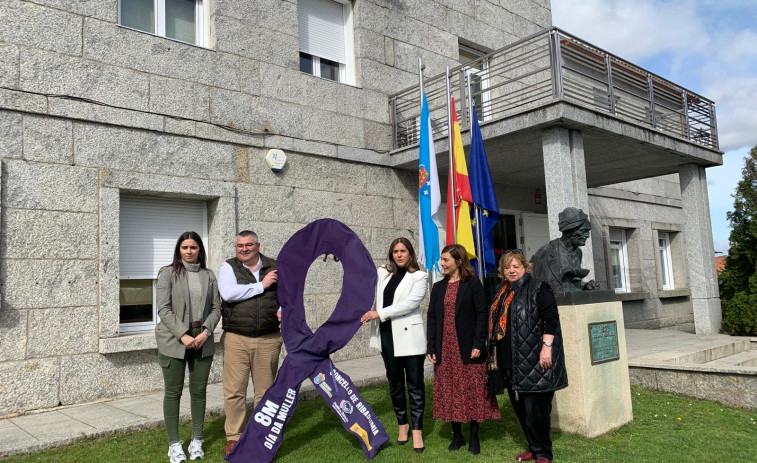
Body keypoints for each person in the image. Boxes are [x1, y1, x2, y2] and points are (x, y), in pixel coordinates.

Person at [486, 251, 568, 463]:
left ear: (525, 267)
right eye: (507, 267)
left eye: (516, 266)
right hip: (510, 360)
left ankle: (543, 453)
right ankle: (533, 447)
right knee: (520, 408)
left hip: (535, 359)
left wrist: (546, 347)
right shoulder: (501, 291)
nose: (511, 271)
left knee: (536, 410)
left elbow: (551, 319)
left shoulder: (539, 288)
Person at [426, 244, 501, 455]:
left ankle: (474, 436)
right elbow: (432, 317)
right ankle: (457, 435)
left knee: (473, 390)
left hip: (467, 348)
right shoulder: (438, 287)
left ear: (459, 262)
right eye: (442, 259)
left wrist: (479, 343)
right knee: (450, 390)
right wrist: (431, 345)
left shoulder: (473, 284)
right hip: (445, 348)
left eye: (446, 260)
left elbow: (481, 314)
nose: (442, 263)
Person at [155, 231, 221, 463]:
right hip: (174, 338)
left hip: (202, 338)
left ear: (200, 250)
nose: (189, 251)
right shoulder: (168, 273)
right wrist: (183, 335)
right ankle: (174, 444)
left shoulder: (208, 275)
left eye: (193, 247)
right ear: (179, 250)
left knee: (199, 391)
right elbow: (163, 309)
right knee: (173, 392)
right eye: (185, 248)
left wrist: (205, 332)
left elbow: (216, 308)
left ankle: (197, 440)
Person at [218, 230, 282, 456]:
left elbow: (288, 294)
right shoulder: (229, 267)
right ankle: (234, 437)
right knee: (234, 391)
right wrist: (261, 286)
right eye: (239, 246)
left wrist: (284, 311)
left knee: (265, 392)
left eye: (248, 245)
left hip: (269, 338)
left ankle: (260, 435)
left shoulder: (275, 266)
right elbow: (228, 293)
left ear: (258, 245)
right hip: (237, 338)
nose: (243, 249)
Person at [361, 238, 428, 453]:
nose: (399, 255)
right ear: (391, 254)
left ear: (410, 253)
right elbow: (364, 270)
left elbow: (409, 304)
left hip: (410, 336)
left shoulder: (420, 276)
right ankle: (403, 424)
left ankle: (417, 430)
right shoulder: (383, 273)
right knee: (395, 383)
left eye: (403, 251)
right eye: (396, 251)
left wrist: (378, 313)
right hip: (387, 335)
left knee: (415, 384)